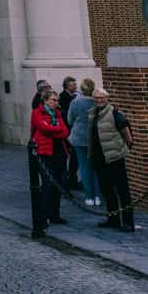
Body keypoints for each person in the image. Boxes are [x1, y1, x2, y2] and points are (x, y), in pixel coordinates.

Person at [90, 88, 137, 232]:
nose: (99, 100)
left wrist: (125, 147)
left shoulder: (115, 113)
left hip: (114, 157)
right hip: (99, 157)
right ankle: (113, 219)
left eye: (102, 98)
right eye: (96, 98)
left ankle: (128, 221)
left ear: (107, 98)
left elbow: (126, 133)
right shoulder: (93, 113)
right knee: (107, 191)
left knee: (123, 191)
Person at [30, 87, 69, 231]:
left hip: (60, 152)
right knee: (47, 184)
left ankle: (55, 214)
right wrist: (56, 129)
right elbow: (44, 129)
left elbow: (65, 132)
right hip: (45, 153)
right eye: (53, 100)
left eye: (57, 100)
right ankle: (43, 216)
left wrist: (55, 130)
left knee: (59, 184)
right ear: (45, 100)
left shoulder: (58, 113)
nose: (56, 103)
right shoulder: (37, 113)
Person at [66, 78, 100, 206]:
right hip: (95, 138)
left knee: (84, 167)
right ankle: (97, 196)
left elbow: (69, 120)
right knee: (96, 167)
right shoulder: (97, 102)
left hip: (79, 138)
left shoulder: (75, 103)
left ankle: (89, 197)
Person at [58, 77, 81, 190]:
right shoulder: (64, 97)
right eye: (73, 85)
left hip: (71, 130)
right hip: (69, 131)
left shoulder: (75, 95)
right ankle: (70, 179)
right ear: (67, 86)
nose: (75, 87)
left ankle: (72, 178)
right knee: (72, 157)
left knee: (73, 157)